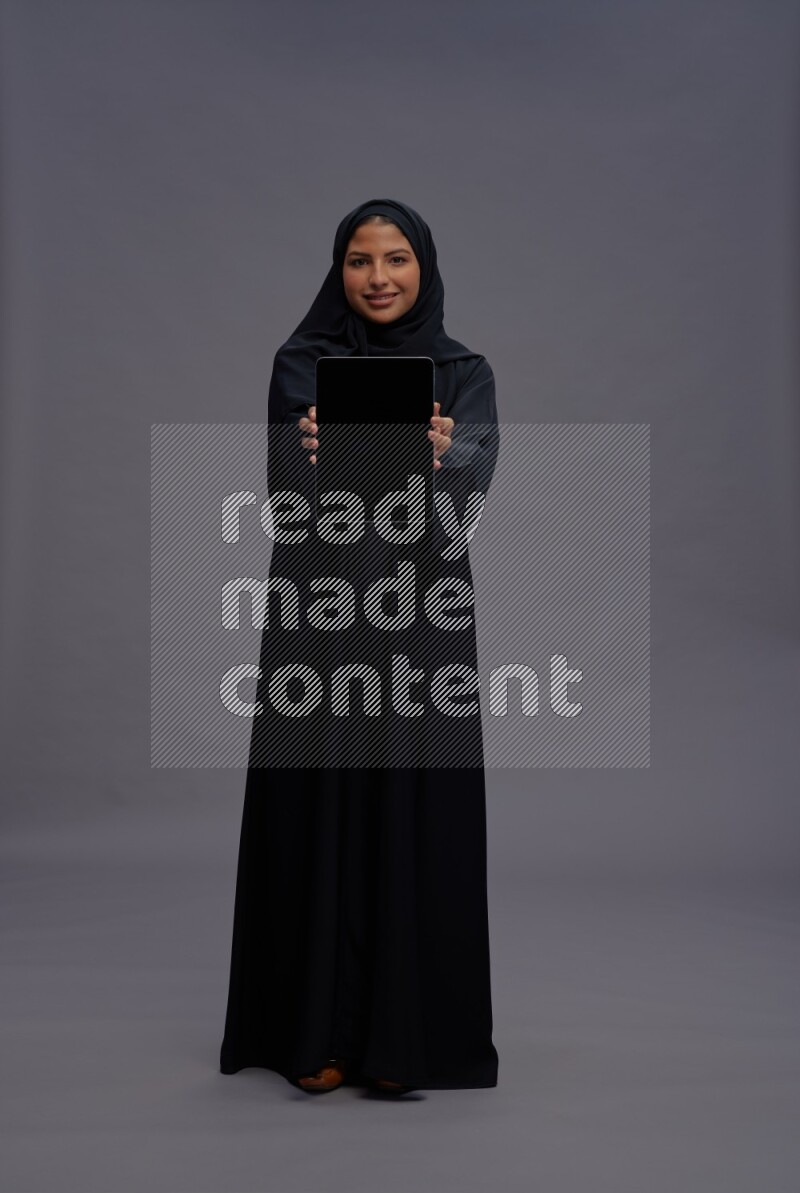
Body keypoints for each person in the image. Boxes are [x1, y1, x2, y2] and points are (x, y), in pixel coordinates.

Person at [219, 198, 500, 1095]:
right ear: (337, 270)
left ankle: (398, 1044)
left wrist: (447, 459)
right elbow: (289, 504)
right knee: (319, 805)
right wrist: (306, 454)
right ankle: (319, 1037)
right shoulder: (300, 364)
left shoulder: (465, 375)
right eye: (358, 259)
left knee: (411, 808)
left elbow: (463, 509)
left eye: (396, 259)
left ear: (425, 268)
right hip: (321, 616)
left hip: (421, 621)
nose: (377, 277)